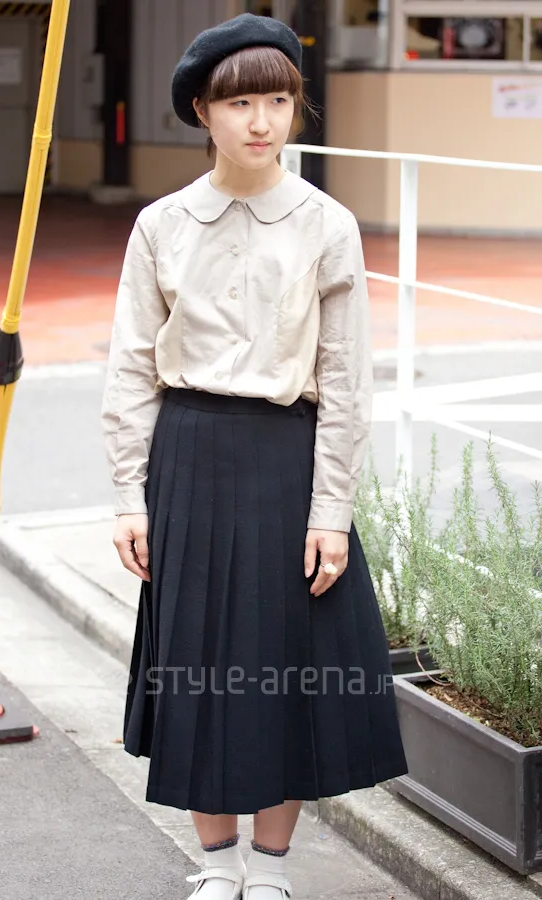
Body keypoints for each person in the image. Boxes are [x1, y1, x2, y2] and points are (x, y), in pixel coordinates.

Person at [101, 13, 408, 900]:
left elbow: (345, 375)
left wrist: (331, 511)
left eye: (278, 100)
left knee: (284, 666)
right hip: (188, 453)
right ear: (203, 111)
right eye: (240, 103)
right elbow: (130, 364)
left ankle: (270, 869)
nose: (262, 121)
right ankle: (216, 864)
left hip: (287, 456)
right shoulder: (161, 225)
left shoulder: (326, 225)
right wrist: (129, 494)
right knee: (197, 661)